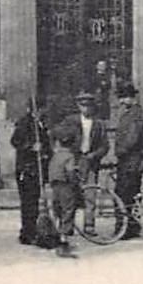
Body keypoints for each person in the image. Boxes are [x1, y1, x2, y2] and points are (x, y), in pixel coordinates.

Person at [50, 91, 109, 248]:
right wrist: (58, 149)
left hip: (90, 161)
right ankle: (65, 228)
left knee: (90, 194)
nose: (86, 109)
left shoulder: (99, 124)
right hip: (73, 160)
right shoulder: (70, 121)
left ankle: (89, 225)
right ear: (78, 106)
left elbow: (105, 146)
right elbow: (55, 132)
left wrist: (94, 155)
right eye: (82, 106)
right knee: (69, 194)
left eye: (89, 106)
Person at [113, 84, 143, 239]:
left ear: (132, 97)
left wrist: (120, 151)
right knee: (131, 193)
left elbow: (132, 138)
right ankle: (131, 227)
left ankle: (125, 229)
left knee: (124, 193)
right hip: (128, 160)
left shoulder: (137, 114)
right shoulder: (129, 113)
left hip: (132, 160)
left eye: (124, 97)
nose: (122, 101)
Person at [11, 100, 50, 246]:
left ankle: (33, 230)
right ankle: (27, 234)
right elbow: (15, 141)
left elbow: (46, 144)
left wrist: (46, 153)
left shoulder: (40, 123)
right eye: (39, 109)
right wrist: (31, 147)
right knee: (28, 203)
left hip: (37, 169)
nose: (41, 112)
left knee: (34, 202)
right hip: (26, 170)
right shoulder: (24, 123)